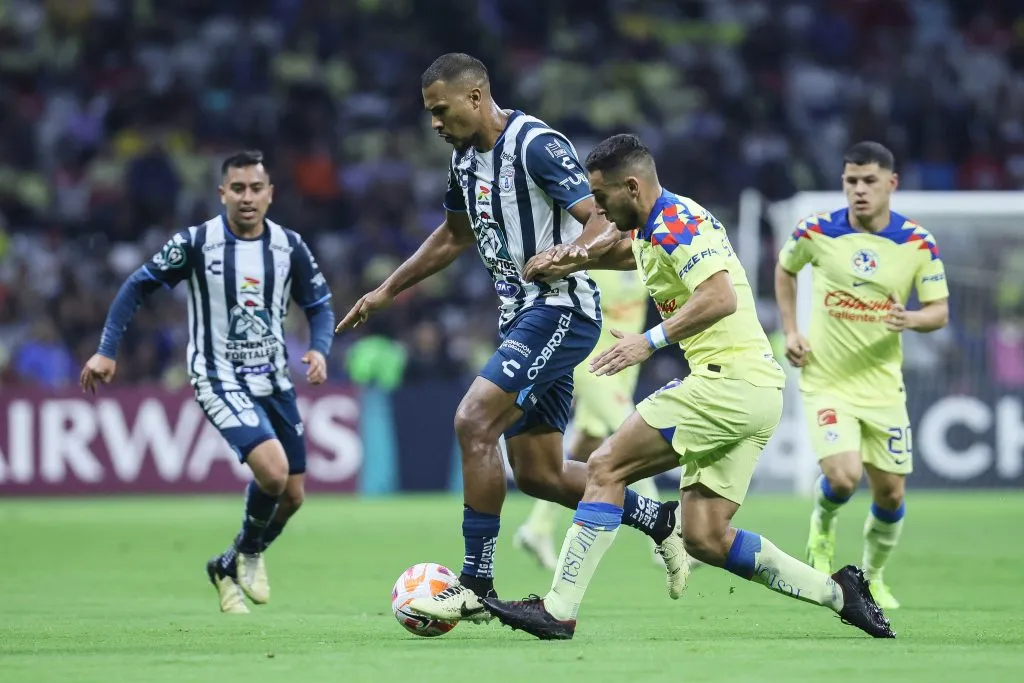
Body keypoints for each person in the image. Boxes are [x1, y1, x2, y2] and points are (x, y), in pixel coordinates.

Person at [482, 133, 895, 640]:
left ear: (631, 187)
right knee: (705, 536)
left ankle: (558, 610)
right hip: (755, 390)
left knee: (606, 467)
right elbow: (630, 253)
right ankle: (840, 592)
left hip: (729, 382)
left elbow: (719, 296)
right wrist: (574, 257)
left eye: (603, 197)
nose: (598, 211)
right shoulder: (660, 225)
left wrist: (647, 342)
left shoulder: (676, 221)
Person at [336, 54, 685, 623]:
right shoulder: (464, 162)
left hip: (560, 310)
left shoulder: (535, 145)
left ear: (475, 98)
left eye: (441, 110)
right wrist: (387, 290)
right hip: (521, 316)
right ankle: (656, 519)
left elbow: (597, 218)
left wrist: (568, 256)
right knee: (541, 475)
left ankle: (474, 583)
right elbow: (453, 237)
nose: (435, 124)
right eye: (430, 114)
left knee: (473, 421)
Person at [80, 151, 335, 614]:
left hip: (274, 379)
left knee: (293, 495)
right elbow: (137, 285)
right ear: (222, 193)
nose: (247, 197)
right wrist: (106, 349)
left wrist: (319, 348)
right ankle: (251, 554)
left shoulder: (289, 246)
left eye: (256, 188)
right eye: (237, 189)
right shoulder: (196, 243)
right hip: (218, 376)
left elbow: (319, 304)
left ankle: (227, 563)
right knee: (274, 472)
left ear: (270, 194)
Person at [774, 141, 949, 610]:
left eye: (869, 180)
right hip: (826, 380)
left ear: (891, 183)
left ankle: (872, 578)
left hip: (883, 386)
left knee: (890, 494)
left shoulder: (917, 243)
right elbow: (785, 270)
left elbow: (939, 311)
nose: (859, 190)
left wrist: (909, 319)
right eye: (851, 180)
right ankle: (822, 527)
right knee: (845, 476)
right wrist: (790, 328)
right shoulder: (816, 230)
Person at [514, 268, 666, 569]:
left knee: (587, 445)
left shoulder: (643, 253)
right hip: (594, 363)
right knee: (636, 435)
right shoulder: (596, 258)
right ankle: (662, 536)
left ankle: (536, 528)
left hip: (625, 369)